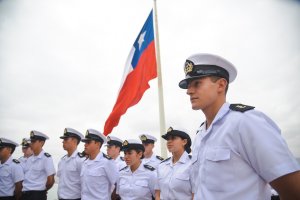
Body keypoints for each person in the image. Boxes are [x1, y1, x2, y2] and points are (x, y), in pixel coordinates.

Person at [178, 53, 300, 200]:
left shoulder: (245, 122)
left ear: (221, 85)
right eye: (188, 85)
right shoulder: (200, 134)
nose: (189, 91)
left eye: (197, 83)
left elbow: (294, 189)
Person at [155, 127, 194, 200]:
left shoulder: (192, 165)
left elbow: (195, 195)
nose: (169, 141)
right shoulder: (161, 166)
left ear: (184, 142)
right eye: (168, 139)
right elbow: (158, 193)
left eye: (173, 138)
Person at [80, 129, 118, 200]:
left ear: (97, 144)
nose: (85, 145)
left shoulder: (107, 162)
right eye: (85, 142)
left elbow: (117, 184)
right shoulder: (84, 163)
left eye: (88, 142)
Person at [21, 130, 56, 200]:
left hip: (37, 195)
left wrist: (42, 191)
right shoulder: (29, 159)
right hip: (25, 194)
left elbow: (51, 180)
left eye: (33, 141)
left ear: (41, 143)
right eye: (31, 141)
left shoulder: (46, 158)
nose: (31, 144)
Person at [57, 128, 86, 200]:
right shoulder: (62, 160)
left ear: (75, 141)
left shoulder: (81, 160)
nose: (63, 142)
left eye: (66, 139)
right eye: (63, 140)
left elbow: (86, 184)